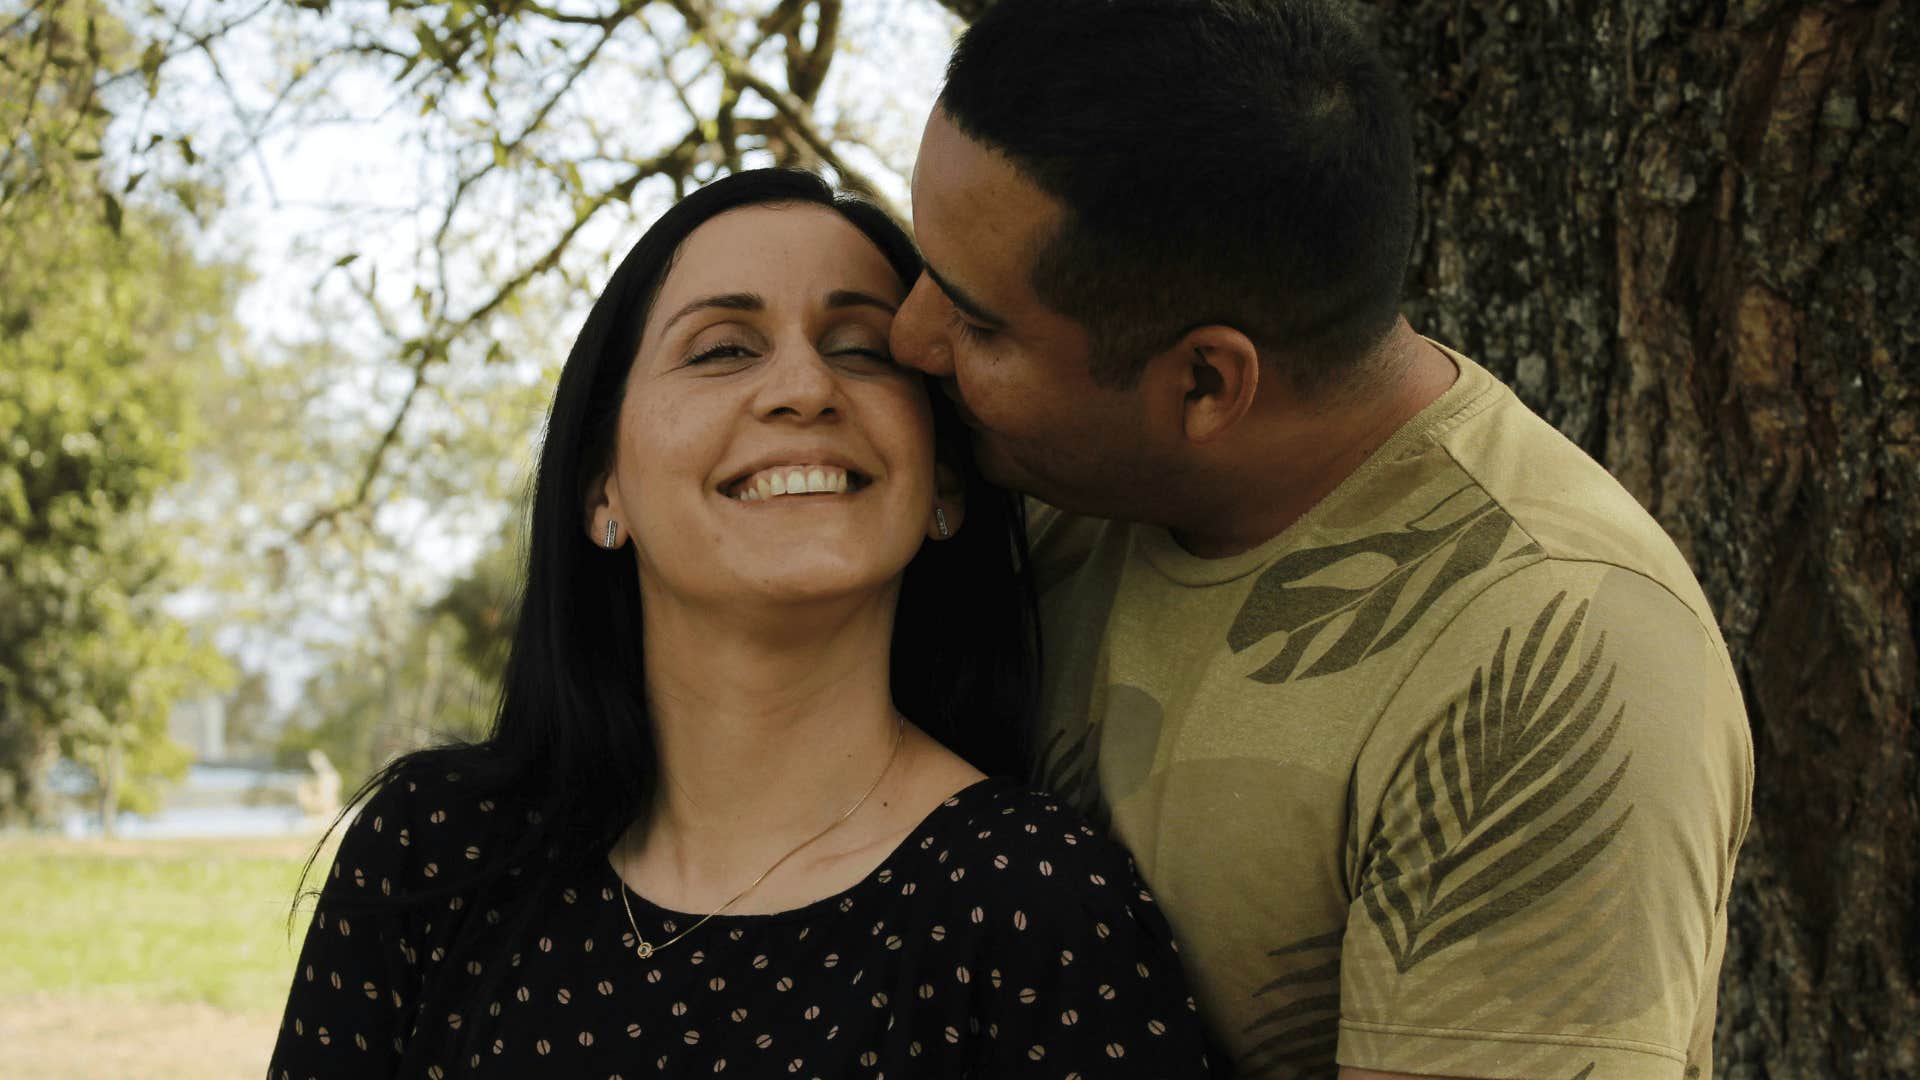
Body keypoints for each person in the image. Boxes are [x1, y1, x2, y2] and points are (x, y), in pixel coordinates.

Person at [888, 2, 1754, 1078]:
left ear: (1206, 381)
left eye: (978, 324)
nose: (906, 336)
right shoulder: (1040, 476)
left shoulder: (1552, 656)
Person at [267, 168, 1220, 1078]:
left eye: (862, 348)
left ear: (945, 483)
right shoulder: (433, 851)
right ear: (603, 487)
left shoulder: (1035, 904)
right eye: (723, 348)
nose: (805, 388)